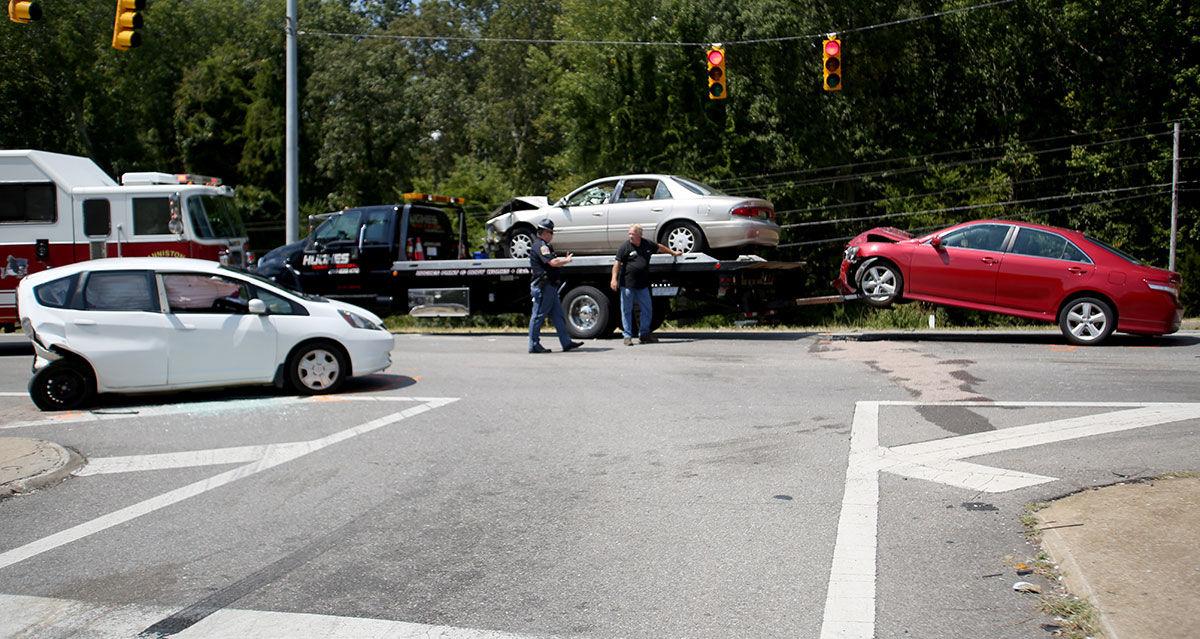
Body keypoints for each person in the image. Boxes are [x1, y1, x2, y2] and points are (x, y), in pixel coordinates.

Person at [609, 224, 682, 346]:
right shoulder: (625, 247)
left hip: (642, 285)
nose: (630, 236)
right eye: (629, 234)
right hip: (627, 284)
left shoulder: (647, 244)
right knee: (626, 310)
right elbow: (617, 264)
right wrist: (613, 279)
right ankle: (627, 336)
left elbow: (660, 247)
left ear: (639, 235)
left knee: (647, 309)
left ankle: (644, 334)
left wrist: (673, 253)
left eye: (632, 234)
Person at [528, 219, 584, 354]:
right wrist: (566, 260)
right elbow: (552, 262)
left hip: (550, 287)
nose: (552, 235)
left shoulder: (546, 245)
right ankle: (534, 345)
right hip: (543, 287)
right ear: (543, 232)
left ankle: (566, 343)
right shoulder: (541, 246)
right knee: (538, 316)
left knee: (558, 316)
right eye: (550, 232)